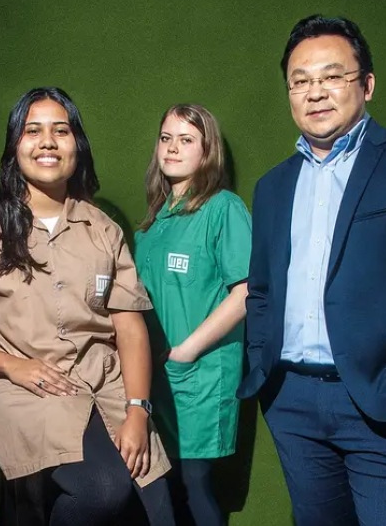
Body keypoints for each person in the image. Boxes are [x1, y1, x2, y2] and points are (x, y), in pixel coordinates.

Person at [237, 15, 386, 526]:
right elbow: (261, 289)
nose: (315, 92)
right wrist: (266, 372)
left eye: (332, 76)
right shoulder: (273, 187)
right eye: (300, 81)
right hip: (293, 403)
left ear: (366, 84)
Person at [0, 87, 175, 526]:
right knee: (103, 494)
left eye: (62, 130)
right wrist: (12, 366)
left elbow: (129, 327)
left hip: (107, 386)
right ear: (15, 145)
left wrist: (137, 409)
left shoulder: (103, 229)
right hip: (28, 393)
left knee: (158, 510)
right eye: (33, 131)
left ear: (78, 144)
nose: (48, 141)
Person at [134, 104, 252, 526]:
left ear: (207, 151)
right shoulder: (152, 223)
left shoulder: (223, 209)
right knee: (162, 487)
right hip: (155, 380)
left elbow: (246, 292)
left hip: (199, 375)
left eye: (186, 140)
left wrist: (186, 351)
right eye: (166, 138)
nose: (172, 148)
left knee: (195, 483)